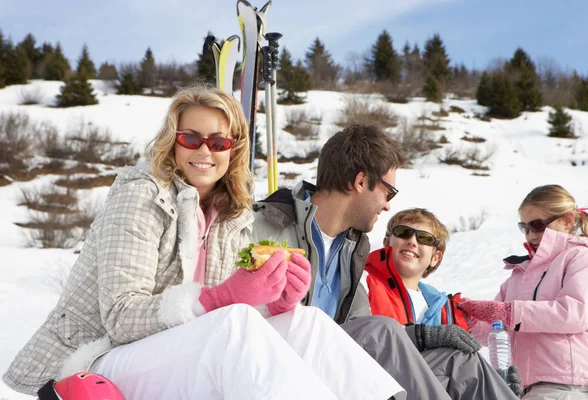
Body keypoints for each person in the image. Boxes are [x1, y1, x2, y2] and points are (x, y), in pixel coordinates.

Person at [3, 85, 404, 400]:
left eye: (219, 142)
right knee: (233, 323)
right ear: (173, 143)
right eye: (191, 139)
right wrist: (219, 299)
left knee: (308, 321)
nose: (205, 151)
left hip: (173, 355)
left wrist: (277, 304)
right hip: (97, 360)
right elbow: (121, 317)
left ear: (235, 149)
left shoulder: (232, 214)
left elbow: (227, 322)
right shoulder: (142, 195)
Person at [251, 123, 519, 400]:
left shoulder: (351, 246)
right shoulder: (269, 224)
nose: (389, 205)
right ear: (360, 181)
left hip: (340, 368)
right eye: (388, 192)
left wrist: (422, 337)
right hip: (287, 369)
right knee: (382, 329)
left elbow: (363, 331)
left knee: (459, 362)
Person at [366, 208, 523, 399]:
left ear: (435, 257)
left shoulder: (445, 309)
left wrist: (497, 384)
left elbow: (462, 377)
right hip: (379, 386)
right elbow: (357, 336)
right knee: (460, 361)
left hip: (431, 391)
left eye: (424, 238)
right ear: (386, 243)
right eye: (403, 232)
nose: (412, 241)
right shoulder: (364, 283)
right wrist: (421, 336)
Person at [461, 184, 588, 400]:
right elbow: (498, 328)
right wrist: (469, 319)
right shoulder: (519, 275)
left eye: (537, 225)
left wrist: (508, 312)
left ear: (567, 220)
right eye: (524, 227)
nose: (530, 234)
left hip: (566, 386)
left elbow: (576, 313)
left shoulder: (580, 258)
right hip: (526, 388)